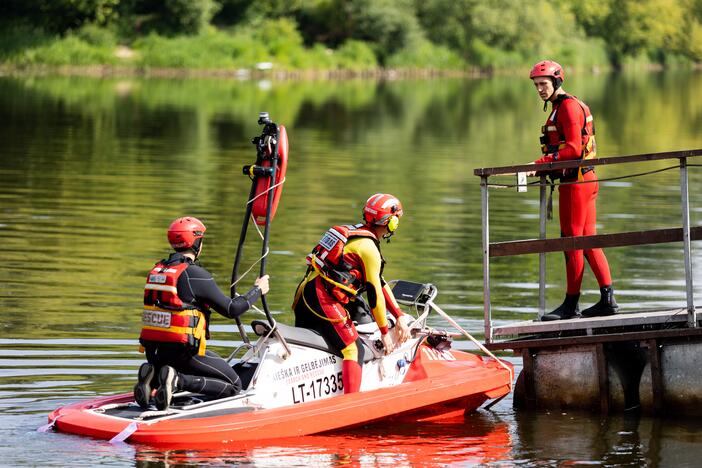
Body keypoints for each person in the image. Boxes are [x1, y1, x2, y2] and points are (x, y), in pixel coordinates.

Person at [134, 216, 269, 410]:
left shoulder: (158, 270)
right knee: (234, 384)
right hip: (183, 355)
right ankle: (177, 381)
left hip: (154, 354)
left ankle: (154, 379)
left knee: (171, 368)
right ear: (197, 242)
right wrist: (257, 290)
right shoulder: (193, 273)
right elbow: (232, 309)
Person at [292, 193, 411, 394]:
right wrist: (384, 333)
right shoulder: (369, 248)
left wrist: (398, 316)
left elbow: (379, 283)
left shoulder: (354, 234)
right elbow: (374, 294)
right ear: (391, 222)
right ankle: (350, 403)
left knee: (314, 347)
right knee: (353, 350)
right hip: (323, 299)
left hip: (305, 294)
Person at [529, 60, 618, 321]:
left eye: (543, 84)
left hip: (576, 184)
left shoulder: (567, 107)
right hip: (585, 181)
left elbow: (572, 150)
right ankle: (608, 299)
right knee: (588, 240)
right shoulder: (562, 107)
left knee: (572, 243)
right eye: (536, 85)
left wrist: (540, 164)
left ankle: (571, 306)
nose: (540, 90)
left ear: (557, 81)